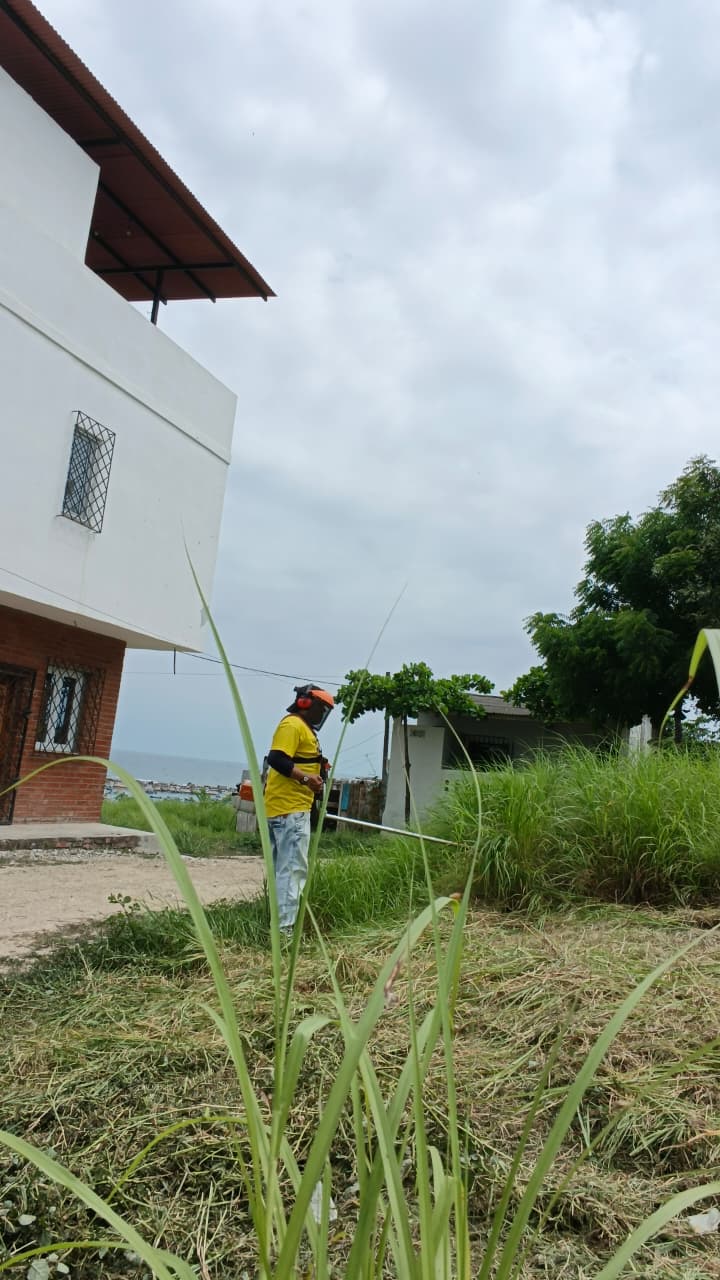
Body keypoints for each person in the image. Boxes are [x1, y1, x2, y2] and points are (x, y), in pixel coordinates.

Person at [264, 684, 335, 931]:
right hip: (290, 810)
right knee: (292, 872)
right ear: (306, 704)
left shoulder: (303, 729)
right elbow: (276, 758)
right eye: (322, 709)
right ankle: (284, 933)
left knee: (283, 871)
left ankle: (277, 927)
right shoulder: (292, 725)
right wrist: (306, 778)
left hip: (289, 809)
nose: (323, 715)